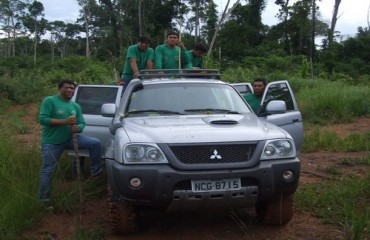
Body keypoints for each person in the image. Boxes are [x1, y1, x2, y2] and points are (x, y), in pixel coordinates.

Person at [38, 79, 103, 206]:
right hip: (52, 142)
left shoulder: (75, 106)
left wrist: (78, 128)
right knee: (48, 170)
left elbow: (81, 122)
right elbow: (43, 119)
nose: (70, 90)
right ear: (60, 88)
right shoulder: (50, 101)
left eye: (72, 88)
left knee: (95, 143)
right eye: (67, 87)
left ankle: (95, 171)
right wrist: (65, 122)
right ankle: (44, 200)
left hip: (69, 139)